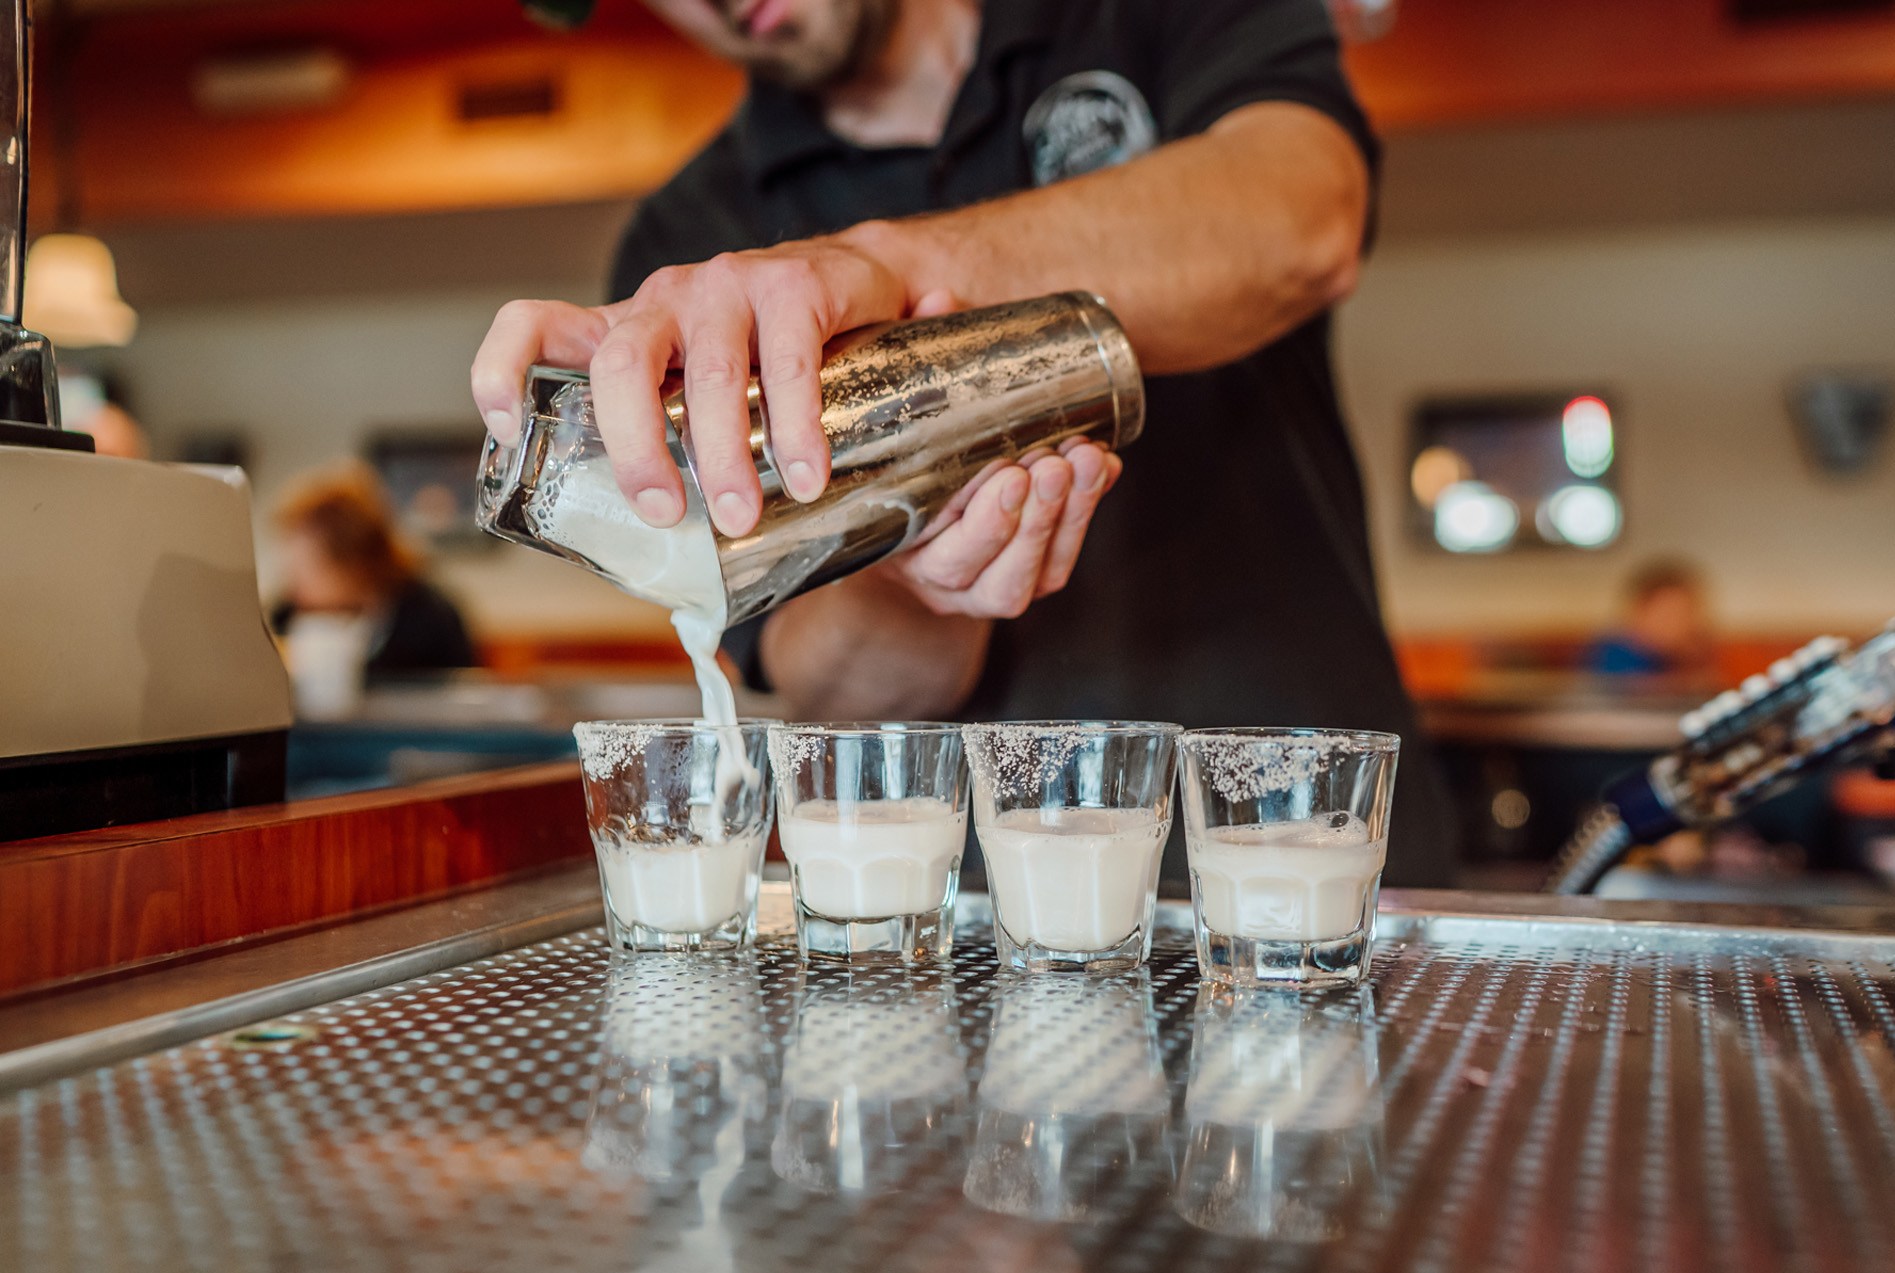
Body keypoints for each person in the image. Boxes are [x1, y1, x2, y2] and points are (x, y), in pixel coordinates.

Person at [471, 0, 1457, 886]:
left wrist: (886, 265)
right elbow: (824, 687)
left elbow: (1302, 218)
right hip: (986, 924)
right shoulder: (690, 240)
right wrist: (909, 583)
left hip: (1306, 852)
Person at [270, 464, 477, 674]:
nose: (292, 587)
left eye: (304, 571)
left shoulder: (431, 618)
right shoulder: (288, 617)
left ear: (353, 562)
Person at [1584, 558, 1716, 686]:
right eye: (1668, 614)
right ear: (1639, 611)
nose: (1679, 623)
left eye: (1686, 613)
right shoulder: (1612, 654)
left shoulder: (1671, 657)